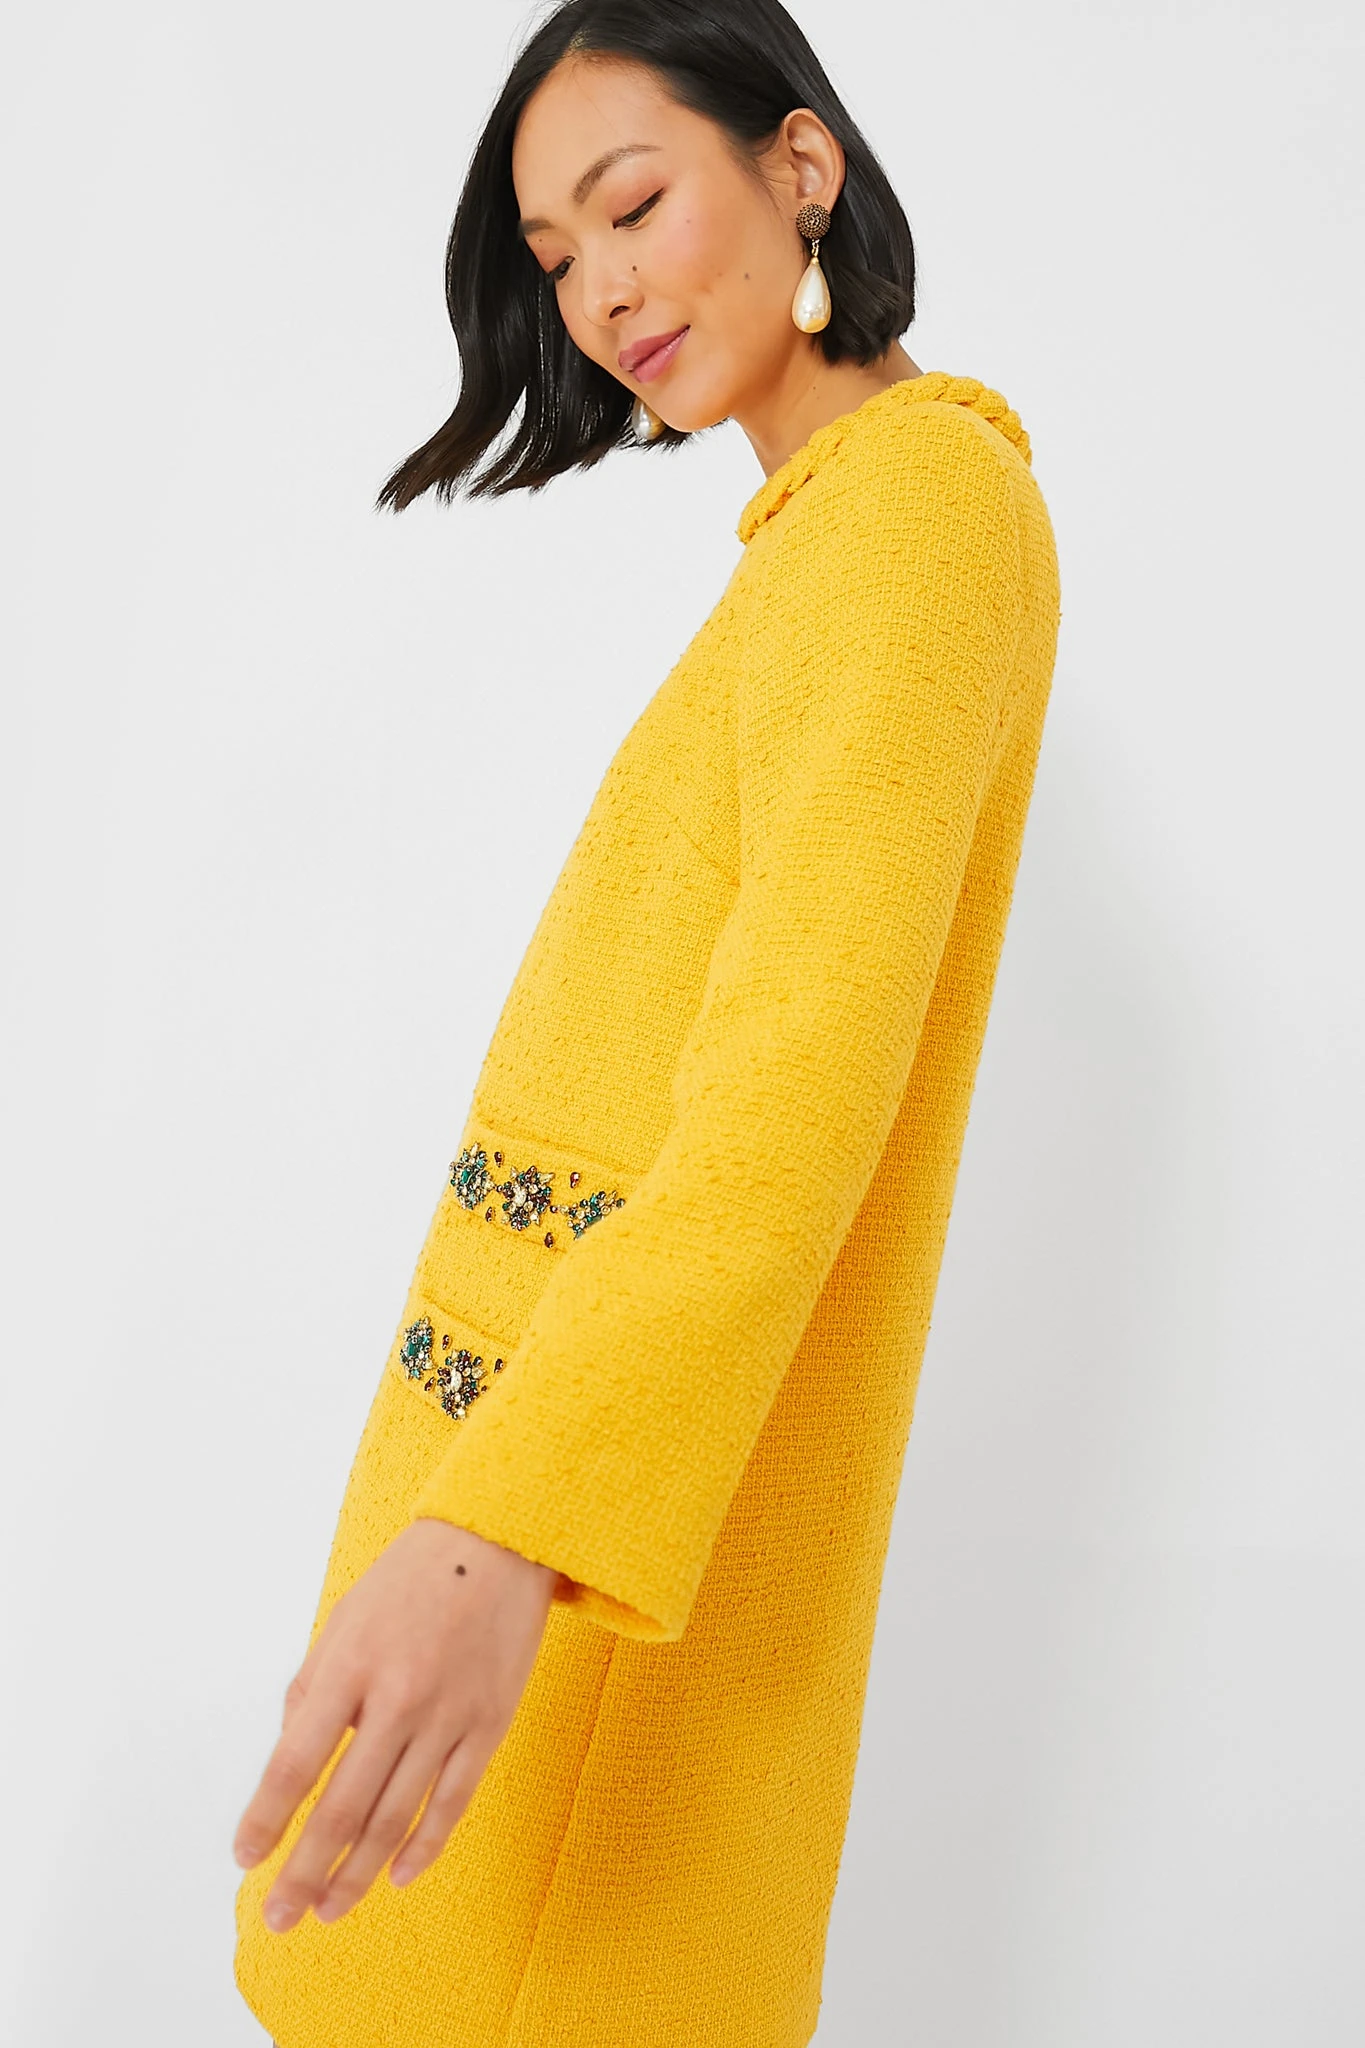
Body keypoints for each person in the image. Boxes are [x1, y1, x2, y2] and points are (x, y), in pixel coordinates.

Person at [231, 2, 1061, 2043]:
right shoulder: (822, 541)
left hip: (585, 1596)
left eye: (630, 204)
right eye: (554, 256)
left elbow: (789, 1105)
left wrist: (509, 1532)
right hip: (538, 1547)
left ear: (801, 167)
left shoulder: (919, 516)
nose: (598, 291)